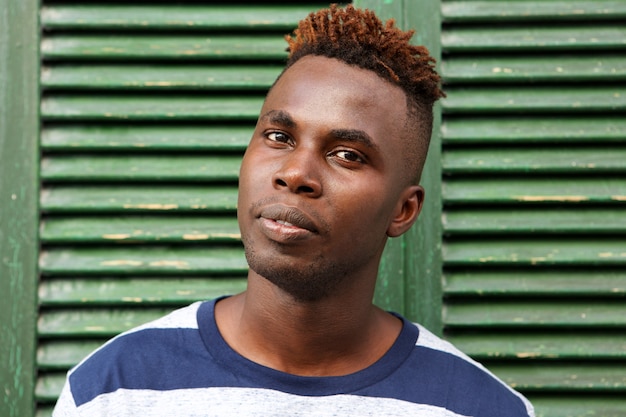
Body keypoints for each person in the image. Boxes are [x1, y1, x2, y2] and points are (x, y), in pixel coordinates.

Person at [53, 4, 534, 417]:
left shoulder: (480, 407)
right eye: (279, 138)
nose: (295, 173)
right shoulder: (112, 392)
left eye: (347, 154)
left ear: (404, 210)